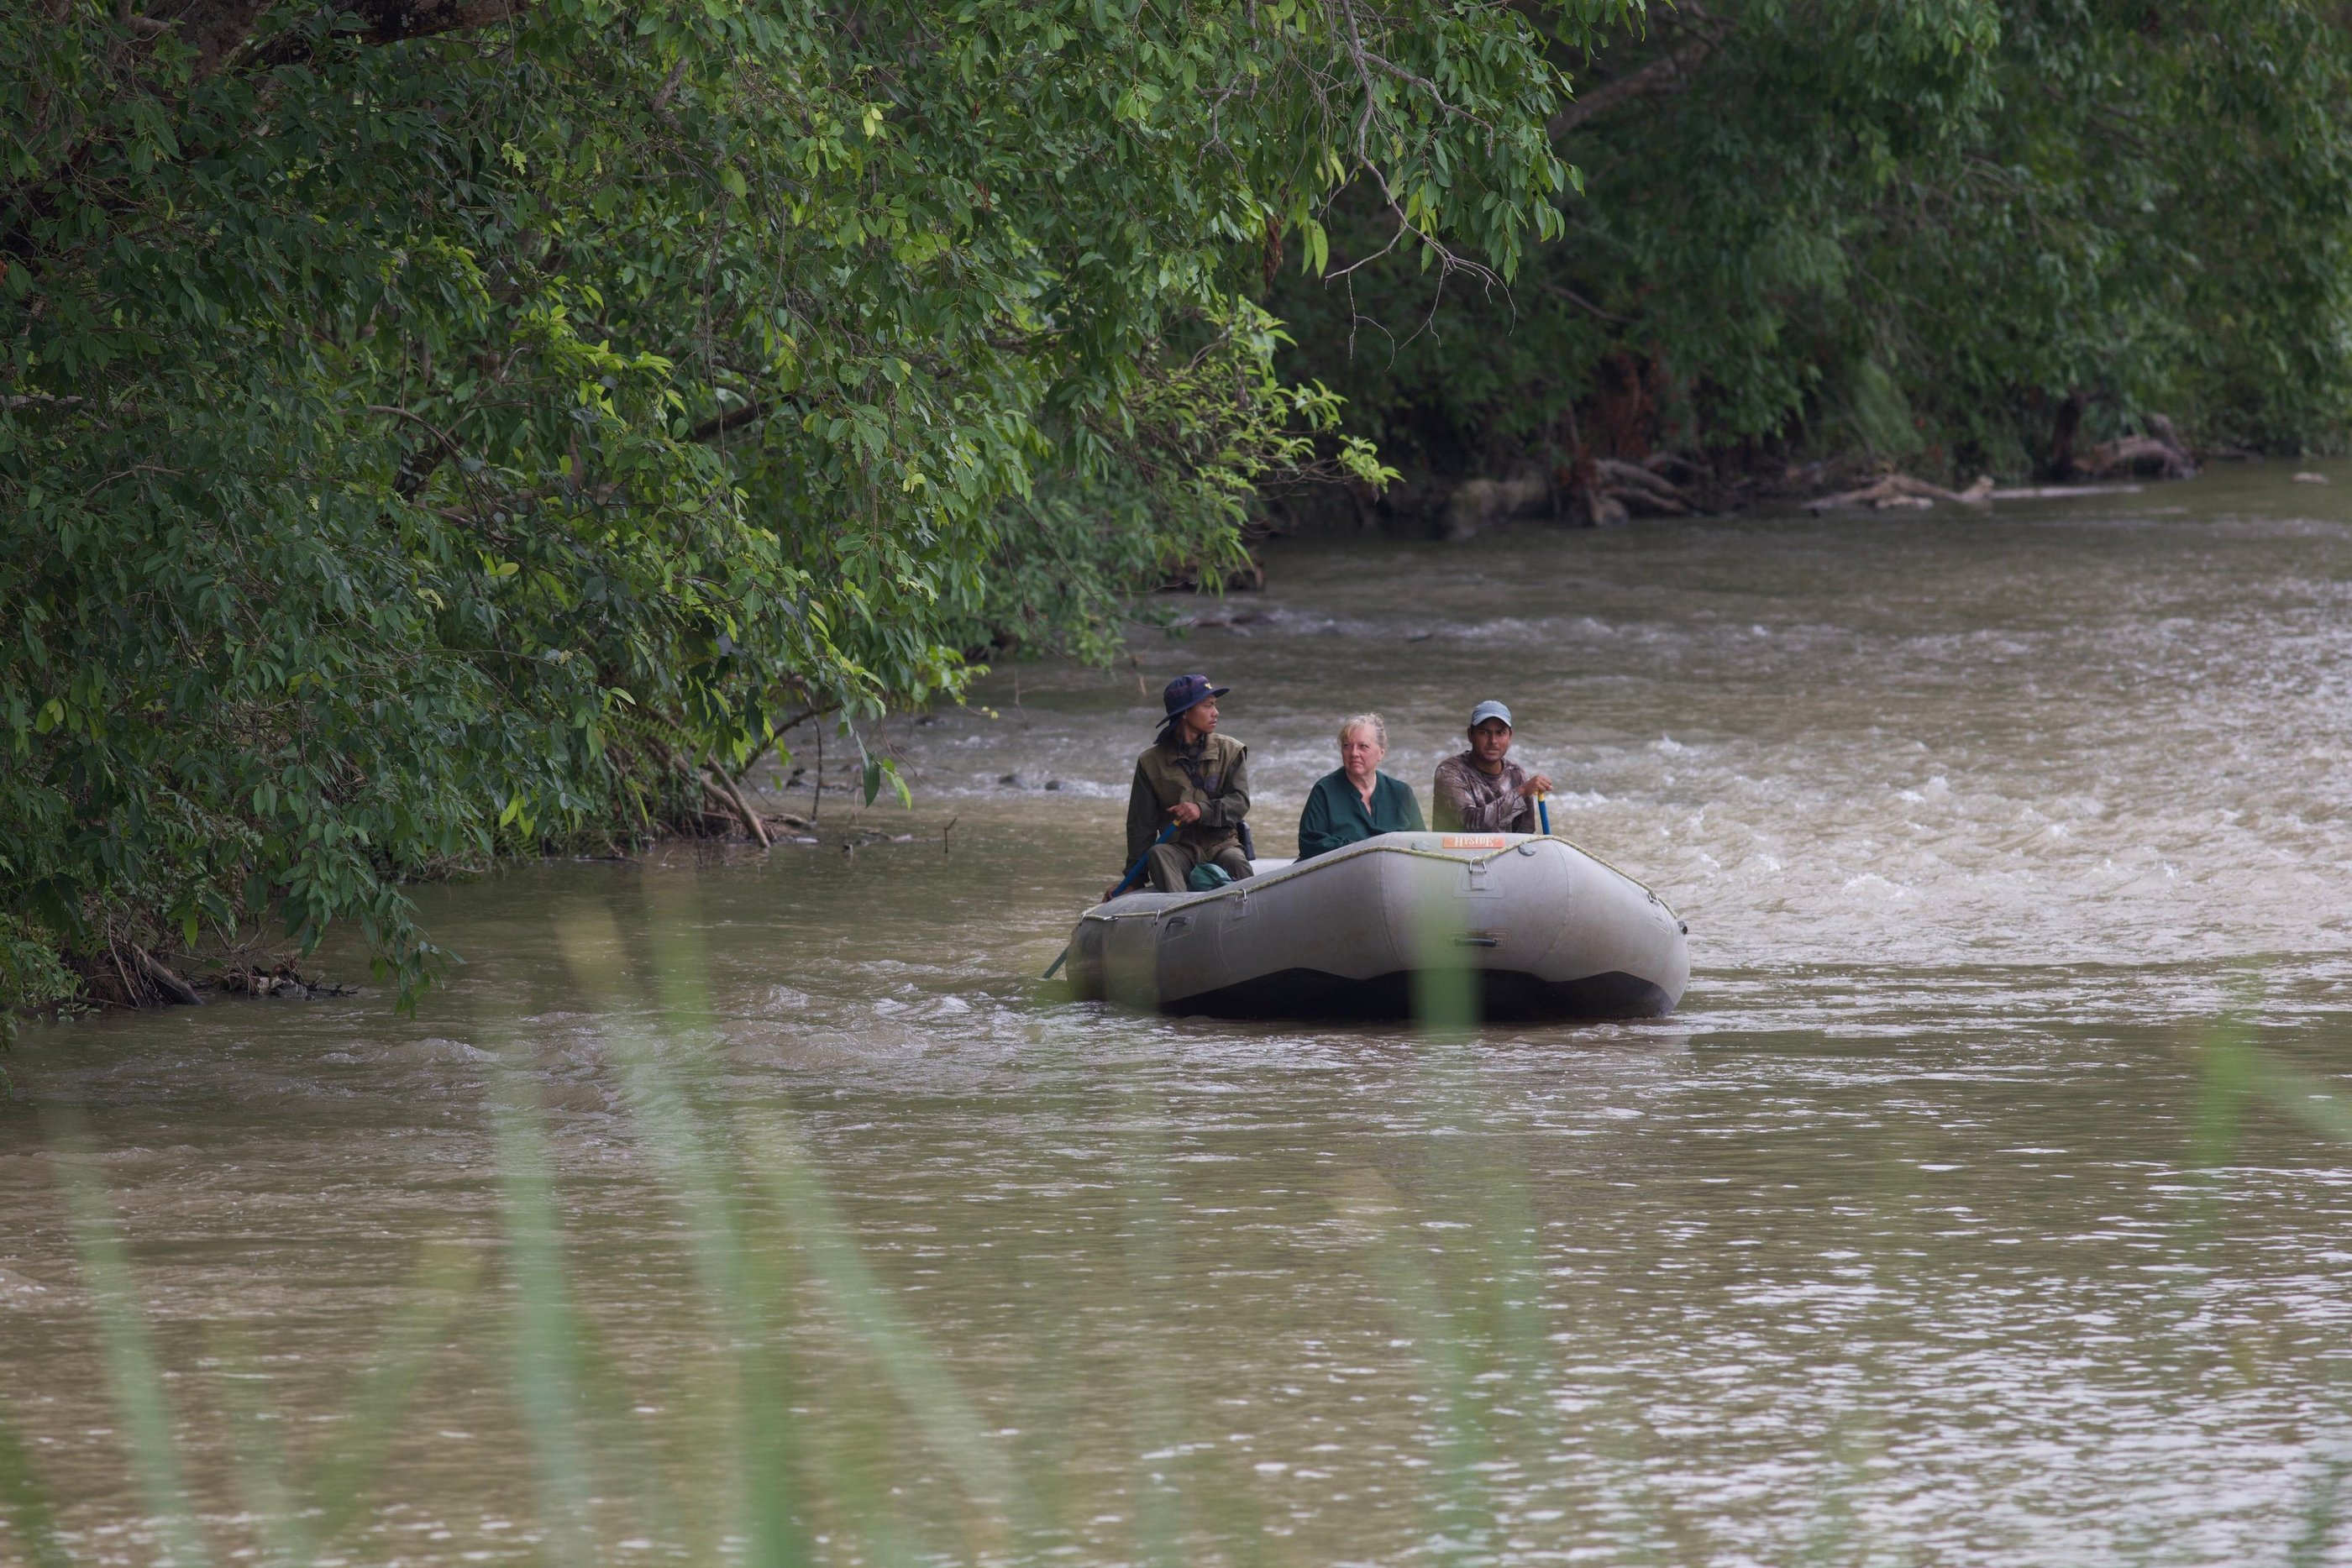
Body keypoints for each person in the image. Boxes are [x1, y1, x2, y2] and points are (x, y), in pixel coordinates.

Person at [1118, 674, 1255, 895]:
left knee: (1236, 860)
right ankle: (1179, 915)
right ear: (1185, 712)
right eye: (1208, 706)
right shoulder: (1150, 762)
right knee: (1158, 853)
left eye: (1215, 706)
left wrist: (1201, 810)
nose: (1216, 713)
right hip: (1178, 850)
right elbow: (1140, 826)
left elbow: (1240, 803)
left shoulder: (1231, 751)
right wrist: (1134, 880)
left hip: (1222, 846)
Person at [1296, 712, 1424, 859]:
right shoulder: (1324, 790)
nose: (1354, 753)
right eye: (1347, 746)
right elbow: (1309, 844)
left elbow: (1422, 845)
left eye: (1363, 746)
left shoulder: (1402, 793)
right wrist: (1361, 850)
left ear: (1381, 753)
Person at [1431, 699, 1555, 833]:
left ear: (1510, 736)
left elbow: (1525, 833)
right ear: (1470, 734)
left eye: (1500, 733)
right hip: (1454, 852)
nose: (1493, 741)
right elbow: (1471, 823)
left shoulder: (1516, 774)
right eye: (1484, 732)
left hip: (1502, 852)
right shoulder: (1449, 771)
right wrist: (1521, 793)